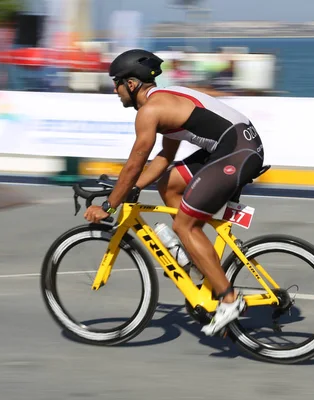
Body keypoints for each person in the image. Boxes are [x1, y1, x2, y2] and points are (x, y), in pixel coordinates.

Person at [83, 49, 265, 336]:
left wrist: (109, 204)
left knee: (184, 224)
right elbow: (163, 159)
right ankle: (196, 260)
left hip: (238, 151)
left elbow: (135, 162)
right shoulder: (164, 101)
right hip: (235, 146)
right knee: (169, 184)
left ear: (131, 84)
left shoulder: (150, 111)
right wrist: (137, 188)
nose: (115, 91)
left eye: (116, 84)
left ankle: (229, 300)